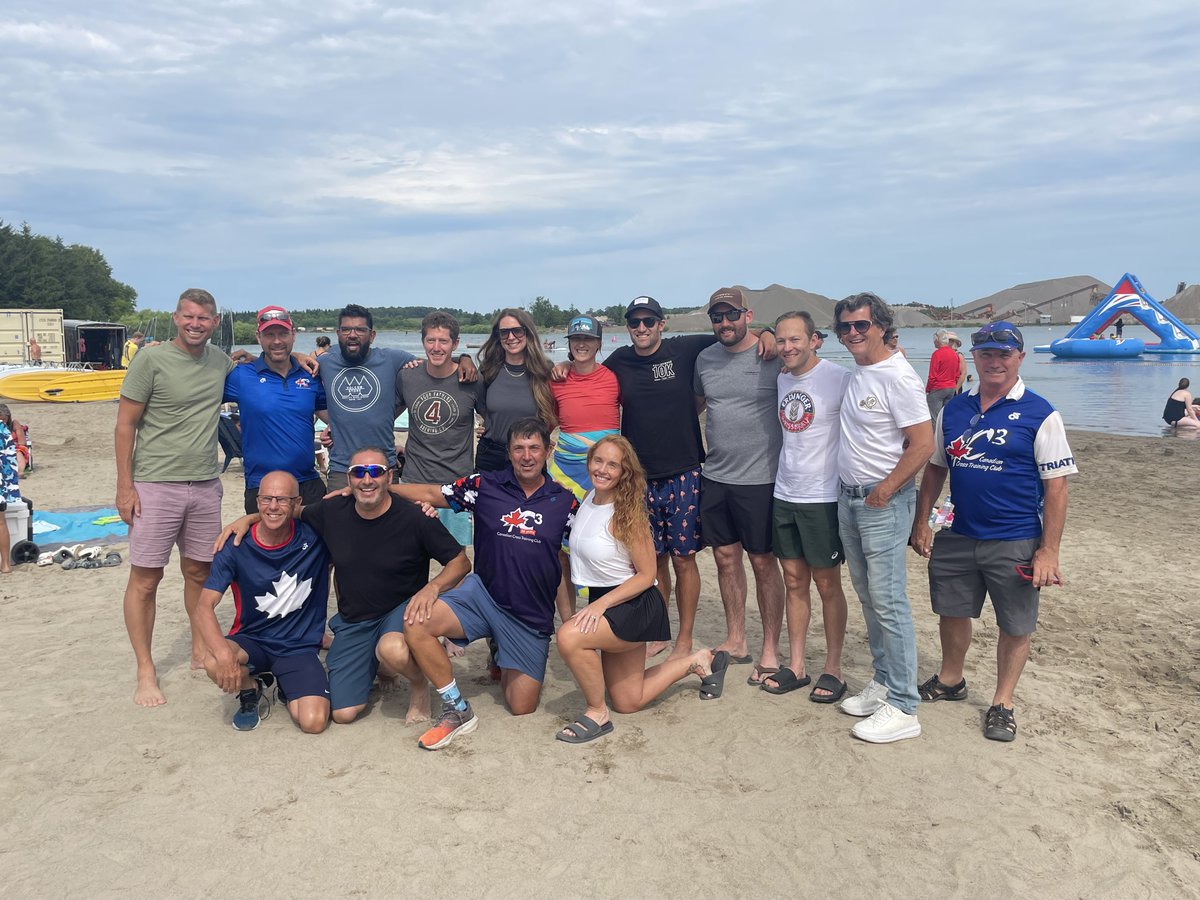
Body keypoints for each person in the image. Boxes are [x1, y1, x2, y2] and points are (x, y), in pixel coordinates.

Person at [220, 448, 472, 725]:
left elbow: (460, 562)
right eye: (358, 472)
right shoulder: (332, 511)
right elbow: (288, 509)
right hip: (355, 620)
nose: (367, 479)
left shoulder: (415, 517)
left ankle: (418, 685)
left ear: (389, 476)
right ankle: (380, 666)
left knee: (392, 649)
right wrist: (248, 518)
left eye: (375, 472)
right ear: (348, 479)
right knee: (342, 713)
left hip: (401, 612)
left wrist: (431, 589)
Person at [911, 322, 1076, 742]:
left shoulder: (1041, 413)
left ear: (1020, 358)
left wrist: (1048, 551)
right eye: (986, 354)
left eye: (1004, 354)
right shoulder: (955, 409)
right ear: (974, 358)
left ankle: (1002, 701)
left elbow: (1057, 487)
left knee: (1015, 623)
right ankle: (951, 679)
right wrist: (922, 522)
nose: (995, 361)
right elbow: (934, 468)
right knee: (951, 609)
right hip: (957, 531)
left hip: (1015, 536)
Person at [602, 295, 776, 662]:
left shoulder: (687, 349)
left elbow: (735, 334)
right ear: (628, 327)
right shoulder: (619, 360)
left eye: (650, 321)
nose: (642, 328)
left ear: (662, 324)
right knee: (653, 562)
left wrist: (770, 333)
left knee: (684, 560)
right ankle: (659, 631)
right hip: (639, 479)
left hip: (685, 473)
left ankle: (684, 638)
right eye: (635, 322)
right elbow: (588, 375)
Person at [388, 418, 579, 750]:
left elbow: (577, 555)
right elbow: (433, 492)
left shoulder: (564, 502)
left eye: (535, 447)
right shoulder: (484, 485)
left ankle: (503, 652)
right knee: (416, 622)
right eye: (519, 448)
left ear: (548, 451)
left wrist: (570, 618)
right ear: (509, 452)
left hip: (528, 613)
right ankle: (457, 708)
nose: (527, 456)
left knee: (521, 706)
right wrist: (381, 487)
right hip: (483, 594)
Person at [554, 436, 729, 743]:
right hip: (608, 603)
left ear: (625, 472)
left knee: (569, 637)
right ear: (589, 462)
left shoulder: (627, 514)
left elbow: (647, 575)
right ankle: (698, 661)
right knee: (629, 701)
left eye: (613, 465)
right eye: (598, 461)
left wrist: (599, 606)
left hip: (634, 606)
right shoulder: (587, 501)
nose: (603, 470)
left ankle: (597, 713)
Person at [116, 289, 237, 707]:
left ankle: (198, 650)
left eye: (204, 318)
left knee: (199, 573)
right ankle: (146, 669)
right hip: (154, 484)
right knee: (146, 579)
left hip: (204, 484)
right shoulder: (150, 359)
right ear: (175, 318)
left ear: (215, 322)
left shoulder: (220, 361)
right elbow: (125, 425)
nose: (195, 324)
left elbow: (251, 372)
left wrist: (301, 360)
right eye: (189, 317)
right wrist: (124, 486)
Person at [835, 292, 932, 743]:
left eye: (861, 326)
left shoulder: (899, 377)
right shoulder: (861, 372)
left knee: (890, 601)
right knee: (868, 595)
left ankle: (904, 705)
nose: (853, 333)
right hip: (849, 499)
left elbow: (923, 444)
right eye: (845, 327)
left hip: (883, 504)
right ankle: (884, 681)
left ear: (880, 327)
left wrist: (886, 490)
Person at [693, 288, 785, 686]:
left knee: (764, 562)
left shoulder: (772, 355)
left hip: (761, 477)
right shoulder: (705, 358)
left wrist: (771, 333)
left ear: (747, 315)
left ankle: (770, 646)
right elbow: (697, 405)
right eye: (717, 317)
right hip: (716, 475)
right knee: (725, 559)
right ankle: (736, 638)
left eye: (732, 315)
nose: (725, 324)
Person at [192, 472, 332, 733]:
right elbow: (203, 607)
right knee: (213, 658)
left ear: (297, 502)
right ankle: (250, 688)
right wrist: (224, 654)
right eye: (266, 499)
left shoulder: (315, 538)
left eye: (282, 499)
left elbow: (355, 514)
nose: (273, 506)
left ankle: (289, 687)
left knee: (313, 722)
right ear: (257, 501)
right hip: (252, 639)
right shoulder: (235, 545)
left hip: (297, 646)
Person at [761, 311, 851, 702]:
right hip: (785, 493)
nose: (788, 347)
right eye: (781, 340)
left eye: (796, 340)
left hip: (823, 498)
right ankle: (797, 664)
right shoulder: (781, 377)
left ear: (815, 340)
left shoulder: (839, 377)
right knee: (794, 581)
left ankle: (833, 668)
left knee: (827, 584)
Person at [319, 304, 475, 491]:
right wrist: (333, 422)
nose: (353, 334)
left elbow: (436, 360)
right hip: (341, 468)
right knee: (338, 519)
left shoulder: (394, 359)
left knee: (386, 519)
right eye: (346, 329)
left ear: (372, 335)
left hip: (384, 466)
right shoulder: (323, 363)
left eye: (360, 329)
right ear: (338, 333)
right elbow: (295, 372)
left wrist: (465, 359)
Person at [223, 306, 330, 514]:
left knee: (317, 545)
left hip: (307, 482)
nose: (277, 341)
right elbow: (198, 394)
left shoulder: (310, 375)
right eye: (269, 334)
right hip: (261, 486)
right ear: (258, 337)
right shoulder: (240, 376)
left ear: (293, 335)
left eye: (283, 333)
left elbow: (331, 417)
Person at [394, 311, 483, 546]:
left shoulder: (472, 380)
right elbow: (385, 416)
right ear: (423, 341)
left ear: (455, 343)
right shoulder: (407, 376)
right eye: (430, 340)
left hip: (456, 485)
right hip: (414, 482)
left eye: (443, 341)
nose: (436, 347)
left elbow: (494, 419)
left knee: (456, 561)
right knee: (409, 557)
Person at [547, 315, 620, 500]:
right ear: (570, 343)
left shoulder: (614, 378)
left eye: (588, 338)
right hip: (564, 468)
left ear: (598, 344)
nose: (581, 344)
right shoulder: (556, 380)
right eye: (576, 338)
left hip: (604, 470)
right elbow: (548, 420)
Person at [474, 308, 557, 472]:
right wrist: (462, 358)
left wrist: (544, 438)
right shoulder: (488, 370)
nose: (511, 337)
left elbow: (556, 412)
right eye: (504, 332)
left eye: (517, 331)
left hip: (529, 456)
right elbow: (480, 406)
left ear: (528, 332)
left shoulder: (545, 371)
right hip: (491, 455)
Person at [0, 415, 21, 575]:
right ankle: (6, 565)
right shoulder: (2, 428)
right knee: (1, 523)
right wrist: (11, 487)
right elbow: (10, 457)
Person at [926, 328, 959, 421]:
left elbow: (933, 375)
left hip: (938, 388)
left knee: (935, 417)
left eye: (934, 340)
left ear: (937, 340)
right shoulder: (954, 354)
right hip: (951, 388)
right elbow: (957, 374)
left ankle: (935, 435)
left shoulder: (937, 354)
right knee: (946, 416)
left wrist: (928, 390)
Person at [0, 404, 30, 474]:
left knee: (18, 453)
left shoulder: (14, 424)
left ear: (8, 417)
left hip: (15, 447)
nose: (2, 422)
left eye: (4, 419)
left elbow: (22, 442)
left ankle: (20, 472)